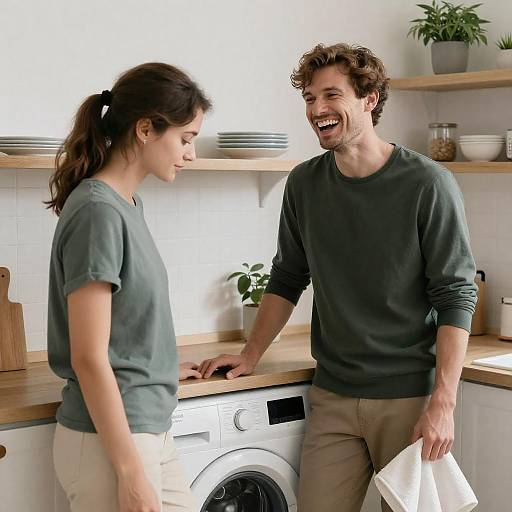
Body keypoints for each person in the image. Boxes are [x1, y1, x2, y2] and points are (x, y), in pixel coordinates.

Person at [198, 43, 477, 512]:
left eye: (331, 96)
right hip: (333, 395)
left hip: (409, 397)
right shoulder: (305, 184)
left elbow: (455, 295)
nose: (317, 110)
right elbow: (288, 276)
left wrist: (443, 403)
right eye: (309, 98)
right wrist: (251, 353)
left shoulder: (427, 184)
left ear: (369, 99)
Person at [46, 62, 211, 512]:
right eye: (185, 138)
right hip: (109, 444)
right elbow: (87, 355)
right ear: (144, 129)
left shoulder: (127, 205)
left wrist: (152, 366)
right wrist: (130, 473)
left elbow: (123, 323)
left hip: (145, 425)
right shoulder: (99, 211)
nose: (190, 154)